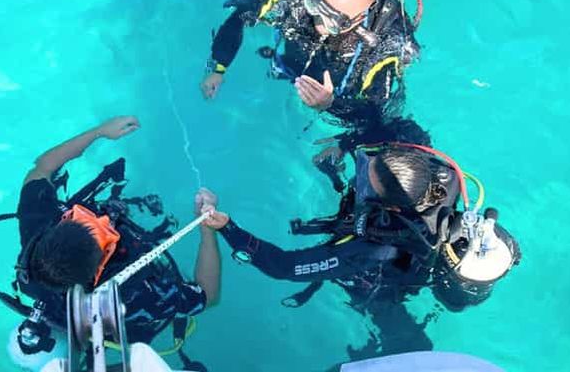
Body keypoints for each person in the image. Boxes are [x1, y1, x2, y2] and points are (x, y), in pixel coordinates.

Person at [194, 142, 520, 365]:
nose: (361, 176)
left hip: (383, 285)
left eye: (366, 180)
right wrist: (345, 142)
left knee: (406, 345)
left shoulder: (371, 248)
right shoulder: (440, 175)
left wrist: (227, 228)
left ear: (390, 206)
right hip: (420, 254)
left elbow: (284, 268)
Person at [13, 115, 221, 369]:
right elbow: (208, 297)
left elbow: (42, 166)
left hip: (63, 311)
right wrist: (208, 230)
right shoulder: (140, 295)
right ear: (101, 264)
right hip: (113, 318)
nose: (103, 218)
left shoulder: (36, 223)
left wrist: (99, 132)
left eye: (81, 218)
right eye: (104, 233)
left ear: (59, 224)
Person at [200, 0, 422, 130]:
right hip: (288, 66)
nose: (320, 23)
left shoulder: (382, 50)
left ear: (359, 18)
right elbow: (241, 14)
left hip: (330, 93)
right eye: (317, 7)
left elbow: (374, 118)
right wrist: (219, 68)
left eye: (334, 20)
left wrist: (329, 105)